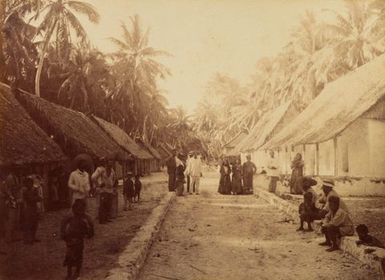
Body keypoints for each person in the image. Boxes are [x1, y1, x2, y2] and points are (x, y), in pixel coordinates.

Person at [61, 199, 94, 280]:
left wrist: (90, 233)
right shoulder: (70, 216)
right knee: (69, 255)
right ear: (74, 209)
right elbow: (63, 224)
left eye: (81, 210)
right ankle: (69, 273)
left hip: (79, 238)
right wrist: (63, 234)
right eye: (77, 210)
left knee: (78, 255)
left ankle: (77, 272)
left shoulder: (85, 216)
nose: (79, 212)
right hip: (70, 238)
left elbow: (91, 225)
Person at [4, 170, 23, 243]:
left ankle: (14, 236)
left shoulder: (15, 177)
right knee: (11, 220)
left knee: (16, 219)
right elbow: (9, 190)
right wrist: (12, 198)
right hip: (11, 201)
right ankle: (8, 238)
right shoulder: (10, 177)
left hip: (15, 200)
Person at [22, 177, 42, 244]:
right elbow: (31, 199)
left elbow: (40, 198)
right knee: (28, 224)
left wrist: (36, 198)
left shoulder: (34, 189)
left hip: (34, 208)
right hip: (28, 208)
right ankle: (27, 239)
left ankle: (33, 237)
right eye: (28, 183)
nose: (30, 184)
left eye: (31, 183)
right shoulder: (25, 191)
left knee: (34, 223)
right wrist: (36, 198)